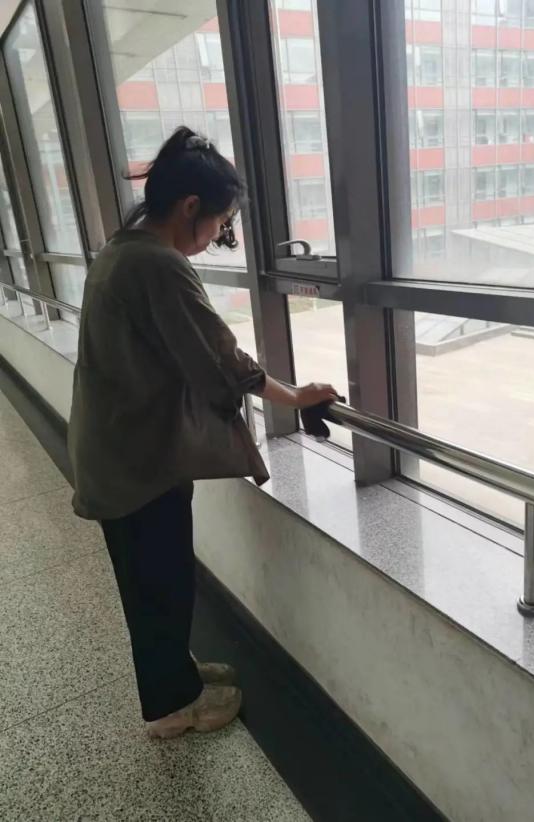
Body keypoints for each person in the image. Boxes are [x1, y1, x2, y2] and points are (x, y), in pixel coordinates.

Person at [67, 126, 338, 740]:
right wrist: (296, 396)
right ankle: (171, 708)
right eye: (220, 222)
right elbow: (221, 359)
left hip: (120, 448)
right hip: (137, 462)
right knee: (157, 584)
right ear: (190, 206)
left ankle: (176, 673)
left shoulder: (121, 249)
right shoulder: (157, 264)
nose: (218, 235)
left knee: (152, 576)